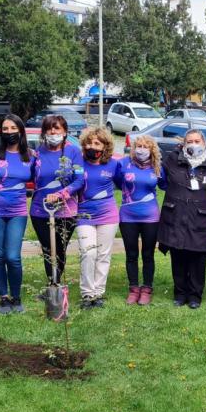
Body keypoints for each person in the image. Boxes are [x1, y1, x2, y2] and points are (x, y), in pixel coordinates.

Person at [0, 114, 35, 315]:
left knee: (13, 257)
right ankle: (4, 298)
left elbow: (40, 180)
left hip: (17, 212)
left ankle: (16, 296)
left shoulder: (30, 156)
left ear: (21, 130)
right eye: (5, 128)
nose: (9, 132)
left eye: (13, 128)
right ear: (1, 132)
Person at [158, 129, 206, 308]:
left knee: (197, 257)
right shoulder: (173, 160)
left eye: (197, 141)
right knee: (178, 254)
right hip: (176, 214)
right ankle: (180, 293)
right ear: (183, 144)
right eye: (189, 141)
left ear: (204, 143)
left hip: (200, 217)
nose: (193, 144)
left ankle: (195, 296)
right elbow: (161, 181)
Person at [32, 115, 84, 287]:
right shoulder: (37, 152)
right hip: (40, 209)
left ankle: (57, 282)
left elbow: (79, 180)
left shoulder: (74, 152)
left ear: (65, 132)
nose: (52, 132)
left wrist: (62, 194)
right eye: (49, 128)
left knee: (59, 248)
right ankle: (51, 284)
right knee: (48, 248)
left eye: (57, 128)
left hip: (66, 210)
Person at [115, 135, 166, 306]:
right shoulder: (123, 164)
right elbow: (116, 181)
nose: (141, 149)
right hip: (128, 216)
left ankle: (146, 289)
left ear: (152, 149)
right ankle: (133, 288)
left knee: (148, 254)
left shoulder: (157, 167)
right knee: (131, 254)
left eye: (145, 146)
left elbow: (165, 185)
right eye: (138, 145)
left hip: (150, 217)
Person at [73, 127, 120, 309]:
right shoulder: (78, 163)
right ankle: (87, 293)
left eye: (97, 143)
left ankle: (98, 293)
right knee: (88, 252)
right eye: (89, 142)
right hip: (84, 215)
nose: (92, 146)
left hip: (108, 215)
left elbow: (123, 183)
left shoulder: (113, 165)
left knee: (103, 255)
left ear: (105, 146)